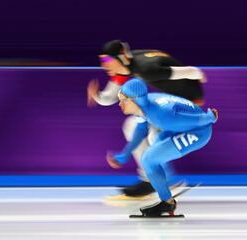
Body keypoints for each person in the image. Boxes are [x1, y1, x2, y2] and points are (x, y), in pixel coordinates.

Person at [87, 40, 206, 198]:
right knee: (133, 125)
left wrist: (200, 76)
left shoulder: (146, 69)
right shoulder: (126, 65)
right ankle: (153, 180)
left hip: (187, 103)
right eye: (102, 60)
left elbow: (190, 72)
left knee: (149, 132)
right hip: (171, 100)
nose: (104, 65)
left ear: (120, 57)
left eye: (108, 60)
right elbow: (110, 97)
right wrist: (98, 96)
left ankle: (159, 181)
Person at [106, 79, 217, 216]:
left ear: (136, 99)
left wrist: (210, 117)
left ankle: (167, 203)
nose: (120, 104)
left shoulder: (161, 115)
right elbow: (141, 130)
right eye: (119, 99)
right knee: (153, 151)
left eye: (124, 100)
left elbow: (197, 121)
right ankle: (164, 188)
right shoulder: (142, 106)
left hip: (199, 131)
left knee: (148, 159)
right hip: (178, 127)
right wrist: (125, 155)